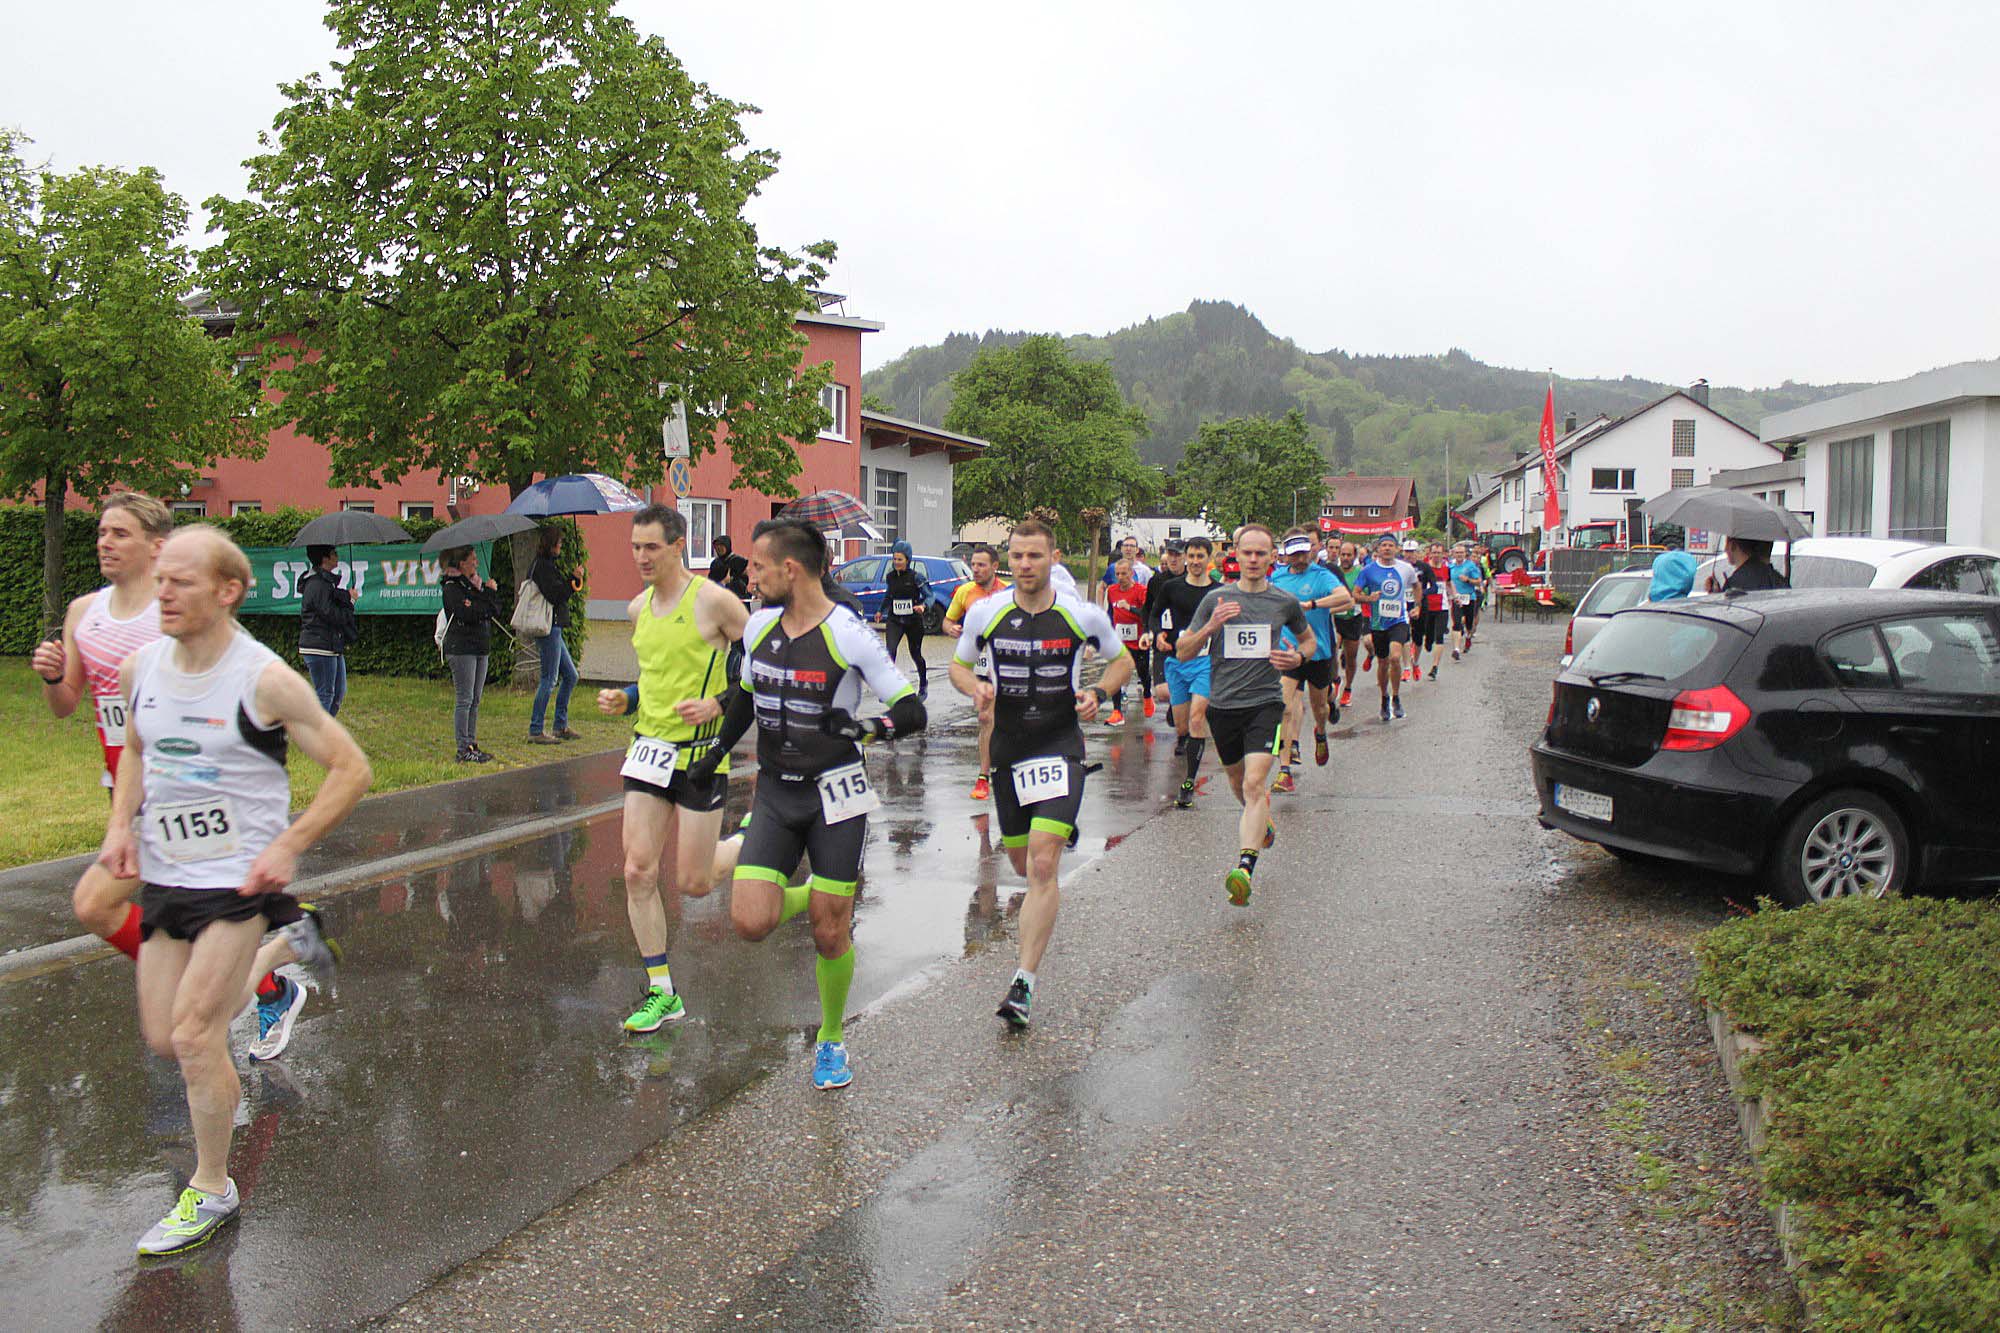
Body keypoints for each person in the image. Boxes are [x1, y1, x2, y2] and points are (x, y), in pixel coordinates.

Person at [102, 526, 368, 1257]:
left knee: (195, 1035)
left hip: (238, 879)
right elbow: (135, 749)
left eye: (180, 581)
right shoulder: (140, 669)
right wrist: (121, 824)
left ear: (227, 591)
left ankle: (211, 1186)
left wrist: (288, 843)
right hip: (168, 873)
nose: (162, 593)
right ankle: (283, 954)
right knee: (168, 1036)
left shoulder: (264, 679)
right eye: (160, 578)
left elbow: (351, 768)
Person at [32, 494, 319, 1061]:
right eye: (101, 532)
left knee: (97, 905)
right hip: (129, 793)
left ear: (157, 546)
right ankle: (264, 982)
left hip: (189, 796)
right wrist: (52, 676)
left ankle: (251, 983)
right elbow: (66, 704)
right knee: (157, 920)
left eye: (120, 533)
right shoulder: (83, 613)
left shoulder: (177, 614)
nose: (105, 543)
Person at [686, 519, 926, 1090]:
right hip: (776, 791)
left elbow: (911, 709)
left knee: (828, 933)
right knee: (750, 921)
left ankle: (831, 1038)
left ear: (789, 569)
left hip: (834, 795)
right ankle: (817, 896)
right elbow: (745, 699)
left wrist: (867, 728)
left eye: (758, 566)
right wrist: (713, 753)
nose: (750, 575)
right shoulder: (759, 627)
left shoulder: (849, 634)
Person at [953, 518, 1130, 1028]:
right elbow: (960, 666)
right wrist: (974, 688)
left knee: (1043, 864)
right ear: (1008, 560)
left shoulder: (1080, 614)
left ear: (1054, 558)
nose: (1025, 565)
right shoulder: (985, 613)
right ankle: (1053, 831)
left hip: (1059, 746)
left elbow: (1121, 662)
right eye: (1017, 556)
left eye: (1035, 556)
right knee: (1020, 863)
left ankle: (1023, 983)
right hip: (1009, 750)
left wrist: (1098, 692)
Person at [593, 505, 748, 1034]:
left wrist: (719, 703)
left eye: (651, 547)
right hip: (649, 751)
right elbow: (655, 676)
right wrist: (628, 698)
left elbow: (763, 664)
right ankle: (662, 990)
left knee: (695, 883)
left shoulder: (715, 602)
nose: (641, 557)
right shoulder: (637, 609)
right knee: (637, 870)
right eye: (635, 547)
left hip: (701, 754)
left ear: (679, 545)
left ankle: (747, 840)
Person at [1175, 524, 1313, 906]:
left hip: (1266, 703)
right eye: (1247, 552)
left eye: (1260, 553)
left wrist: (1298, 658)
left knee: (1255, 784)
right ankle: (1260, 821)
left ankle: (1244, 868)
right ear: (1235, 555)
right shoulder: (1216, 599)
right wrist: (1211, 626)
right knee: (1238, 785)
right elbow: (1183, 651)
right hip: (1223, 705)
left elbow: (1308, 641)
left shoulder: (1284, 602)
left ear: (1273, 557)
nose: (1253, 559)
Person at [1267, 528, 1349, 791]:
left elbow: (1345, 598)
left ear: (1311, 551)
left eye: (1304, 553)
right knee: (1284, 706)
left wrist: (1312, 604)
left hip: (1318, 652)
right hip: (1288, 652)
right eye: (1295, 555)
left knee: (1319, 707)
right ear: (1286, 555)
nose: (1300, 559)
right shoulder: (1278, 577)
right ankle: (1284, 771)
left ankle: (1320, 732)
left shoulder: (1321, 575)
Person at [1155, 535, 1217, 807]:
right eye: (1190, 556)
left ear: (1208, 559)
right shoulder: (1172, 587)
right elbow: (1154, 614)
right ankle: (1182, 729)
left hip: (1205, 662)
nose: (1194, 561)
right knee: (1182, 727)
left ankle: (1189, 782)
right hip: (1176, 662)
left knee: (1196, 719)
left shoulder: (1218, 591)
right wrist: (1156, 633)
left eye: (1199, 556)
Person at [943, 545, 1009, 801]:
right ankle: (983, 776)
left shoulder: (1007, 592)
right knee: (986, 717)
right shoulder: (965, 592)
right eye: (973, 565)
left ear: (995, 567)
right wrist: (950, 629)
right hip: (980, 664)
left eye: (981, 565)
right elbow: (948, 620)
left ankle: (1005, 767)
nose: (976, 569)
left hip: (1005, 662)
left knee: (1005, 718)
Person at [439, 547, 501, 763]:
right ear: (462, 563)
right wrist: (482, 603)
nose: (476, 562)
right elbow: (467, 613)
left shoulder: (477, 586)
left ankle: (472, 743)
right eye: (472, 559)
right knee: (464, 699)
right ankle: (462, 747)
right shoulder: (452, 587)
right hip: (462, 648)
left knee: (475, 699)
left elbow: (493, 609)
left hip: (480, 646)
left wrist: (487, 595)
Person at [527, 526, 581, 744]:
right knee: (549, 679)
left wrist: (572, 581)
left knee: (571, 676)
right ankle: (536, 729)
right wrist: (572, 582)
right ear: (551, 544)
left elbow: (558, 590)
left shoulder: (547, 565)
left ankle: (560, 725)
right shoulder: (542, 567)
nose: (561, 546)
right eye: (559, 542)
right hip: (548, 627)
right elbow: (555, 595)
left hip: (554, 627)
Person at [1352, 536, 1414, 722]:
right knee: (1383, 662)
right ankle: (1384, 698)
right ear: (1377, 549)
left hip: (1399, 620)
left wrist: (1418, 605)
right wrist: (1369, 599)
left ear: (1397, 548)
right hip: (1378, 623)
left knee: (1395, 657)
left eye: (1391, 545)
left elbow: (1417, 586)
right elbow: (1355, 594)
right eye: (1384, 545)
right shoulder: (1368, 570)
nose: (1387, 548)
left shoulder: (1406, 568)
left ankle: (1396, 697)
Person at [296, 545, 357, 717]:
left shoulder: (325, 583)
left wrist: (346, 597)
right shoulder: (317, 584)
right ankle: (318, 731)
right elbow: (331, 614)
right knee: (325, 694)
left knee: (338, 693)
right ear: (325, 559)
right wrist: (350, 603)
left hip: (331, 644)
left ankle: (325, 728)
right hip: (319, 646)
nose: (337, 556)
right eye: (333, 554)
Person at [1141, 540, 1187, 724]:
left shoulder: (1192, 579)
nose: (1173, 559)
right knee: (1162, 692)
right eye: (1170, 554)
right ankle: (1177, 704)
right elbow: (1148, 609)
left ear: (1185, 557)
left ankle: (1181, 709)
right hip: (1163, 640)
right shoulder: (1157, 581)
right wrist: (1147, 631)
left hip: (1186, 642)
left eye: (1177, 555)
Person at [876, 547, 933, 698]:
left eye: (900, 559)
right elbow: (889, 595)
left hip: (913, 621)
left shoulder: (916, 577)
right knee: (890, 651)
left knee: (915, 654)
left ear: (907, 560)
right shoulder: (890, 577)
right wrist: (880, 611)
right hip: (895, 619)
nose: (896, 562)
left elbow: (930, 596)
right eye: (894, 559)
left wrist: (923, 606)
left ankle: (923, 684)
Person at [1102, 557, 1150, 724]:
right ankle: (1116, 711)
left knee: (1142, 672)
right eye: (1117, 574)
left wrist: (1130, 608)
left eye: (1124, 573)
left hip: (1138, 639)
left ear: (1131, 573)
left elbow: (1146, 614)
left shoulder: (1141, 591)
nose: (1120, 577)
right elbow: (1110, 612)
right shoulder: (1112, 590)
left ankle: (1147, 695)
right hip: (1119, 641)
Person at [1421, 542, 1454, 680]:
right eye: (1434, 552)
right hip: (1427, 607)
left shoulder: (1446, 569)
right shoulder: (1424, 569)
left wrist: (1454, 595)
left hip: (1442, 607)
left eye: (1439, 553)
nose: (1436, 555)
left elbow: (1449, 583)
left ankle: (1435, 667)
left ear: (1443, 554)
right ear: (1430, 554)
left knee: (1439, 637)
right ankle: (1427, 641)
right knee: (1428, 636)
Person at [1450, 543, 1488, 656]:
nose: (1459, 555)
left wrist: (1467, 580)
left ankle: (1468, 637)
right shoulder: (1450, 567)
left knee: (1469, 623)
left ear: (1465, 554)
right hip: (1456, 598)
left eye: (1461, 553)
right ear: (1453, 554)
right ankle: (1456, 649)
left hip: (1469, 598)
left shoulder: (1470, 566)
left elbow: (1478, 581)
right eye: (1457, 553)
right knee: (1457, 623)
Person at [1720, 536, 1789, 593]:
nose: (1725, 549)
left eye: (1726, 543)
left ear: (1732, 545)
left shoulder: (1734, 584)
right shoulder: (1778, 580)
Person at [1096, 535, 1153, 600]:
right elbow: (1101, 588)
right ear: (1121, 549)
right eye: (1126, 546)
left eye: (1132, 546)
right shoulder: (1113, 568)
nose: (1128, 549)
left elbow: (1151, 592)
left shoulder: (1144, 570)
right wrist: (1100, 606)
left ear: (1137, 550)